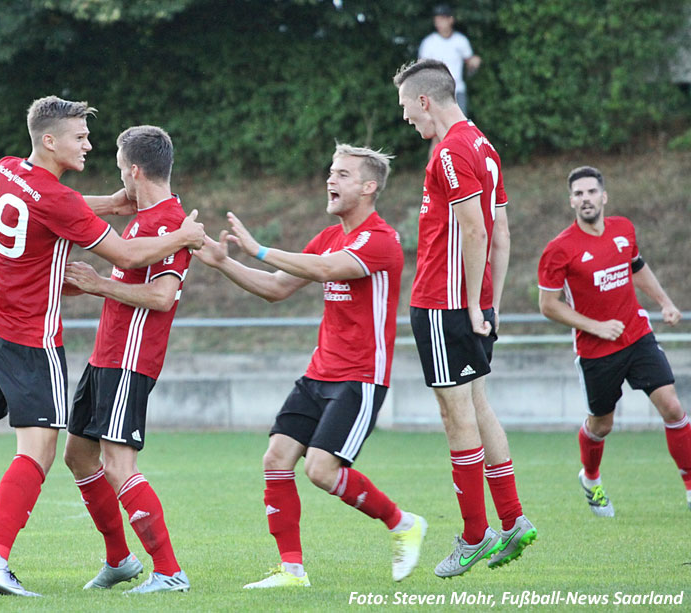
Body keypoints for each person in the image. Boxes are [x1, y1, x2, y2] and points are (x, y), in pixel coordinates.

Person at [0, 96, 205, 596]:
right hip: (28, 336)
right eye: (80, 137)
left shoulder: (6, 171)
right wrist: (186, 235)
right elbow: (119, 247)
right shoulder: (142, 221)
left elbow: (57, 206)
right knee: (43, 449)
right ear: (50, 141)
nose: (88, 145)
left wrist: (113, 206)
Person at [194, 144, 426, 587]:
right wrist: (225, 262)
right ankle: (292, 571)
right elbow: (277, 288)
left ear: (369, 187)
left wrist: (258, 248)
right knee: (277, 459)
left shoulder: (382, 240)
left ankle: (403, 524)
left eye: (341, 174)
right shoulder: (328, 236)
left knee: (321, 469)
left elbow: (325, 270)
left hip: (361, 378)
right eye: (330, 171)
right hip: (319, 373)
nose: (330, 180)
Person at [394, 58, 536, 578]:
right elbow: (502, 234)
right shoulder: (483, 144)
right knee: (477, 406)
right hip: (469, 307)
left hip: (442, 305)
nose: (408, 118)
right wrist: (490, 303)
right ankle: (513, 520)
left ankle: (474, 536)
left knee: (457, 418)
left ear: (425, 101)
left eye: (408, 108)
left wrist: (474, 306)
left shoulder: (451, 151)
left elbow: (477, 231)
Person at [61, 125, 192, 595]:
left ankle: (169, 571)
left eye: (121, 170)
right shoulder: (143, 218)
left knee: (118, 464)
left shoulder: (170, 224)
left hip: (130, 361)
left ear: (135, 170)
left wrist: (98, 284)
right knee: (78, 456)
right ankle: (119, 561)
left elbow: (161, 297)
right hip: (105, 356)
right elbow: (77, 209)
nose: (119, 180)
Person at [538, 166, 691, 515]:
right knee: (601, 425)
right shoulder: (559, 249)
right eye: (578, 194)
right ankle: (590, 477)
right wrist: (595, 326)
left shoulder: (624, 229)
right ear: (571, 201)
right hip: (596, 350)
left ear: (603, 196)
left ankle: (690, 485)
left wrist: (665, 302)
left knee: (672, 406)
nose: (585, 198)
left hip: (637, 336)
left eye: (591, 192)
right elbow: (548, 305)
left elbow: (636, 267)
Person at [418, 4, 480, 116]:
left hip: (457, 90)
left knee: (460, 125)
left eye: (442, 19)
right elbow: (422, 69)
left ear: (450, 20)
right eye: (436, 20)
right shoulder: (428, 43)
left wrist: (474, 63)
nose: (438, 23)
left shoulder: (461, 41)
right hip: (435, 93)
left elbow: (469, 61)